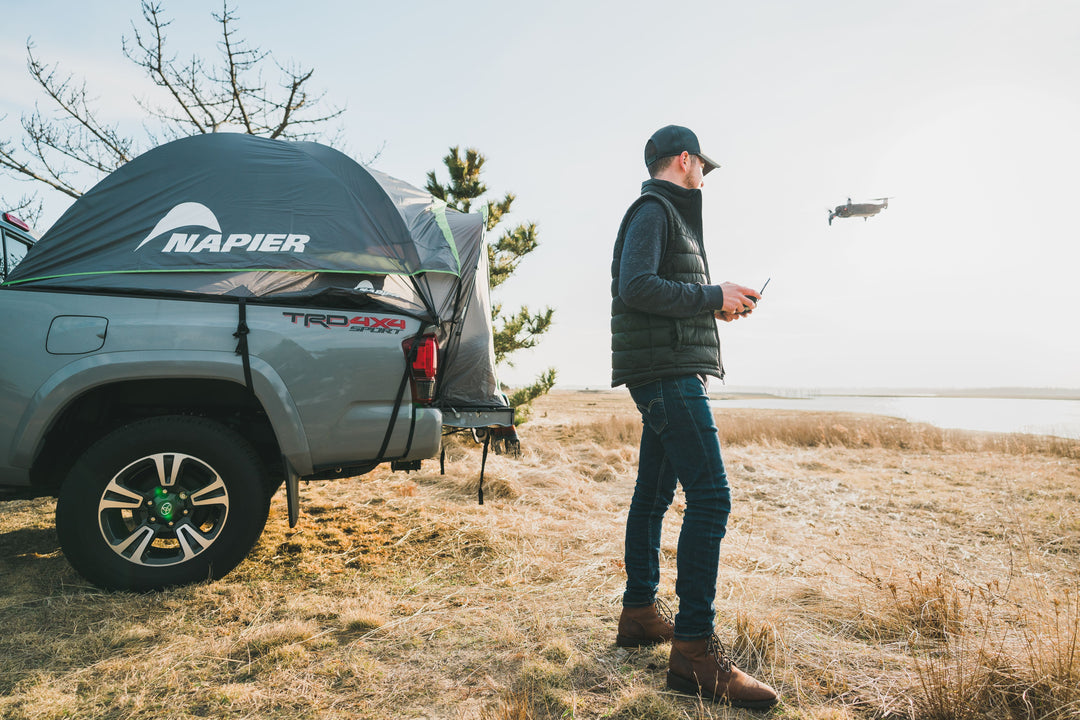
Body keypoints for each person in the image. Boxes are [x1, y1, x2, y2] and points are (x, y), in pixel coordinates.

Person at [610, 125, 778, 709]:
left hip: (666, 366)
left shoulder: (666, 214)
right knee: (712, 498)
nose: (704, 174)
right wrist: (714, 295)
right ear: (684, 159)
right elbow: (636, 287)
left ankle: (638, 615)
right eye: (702, 164)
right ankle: (694, 654)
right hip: (667, 376)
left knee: (653, 495)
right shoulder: (654, 210)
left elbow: (663, 296)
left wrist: (716, 310)